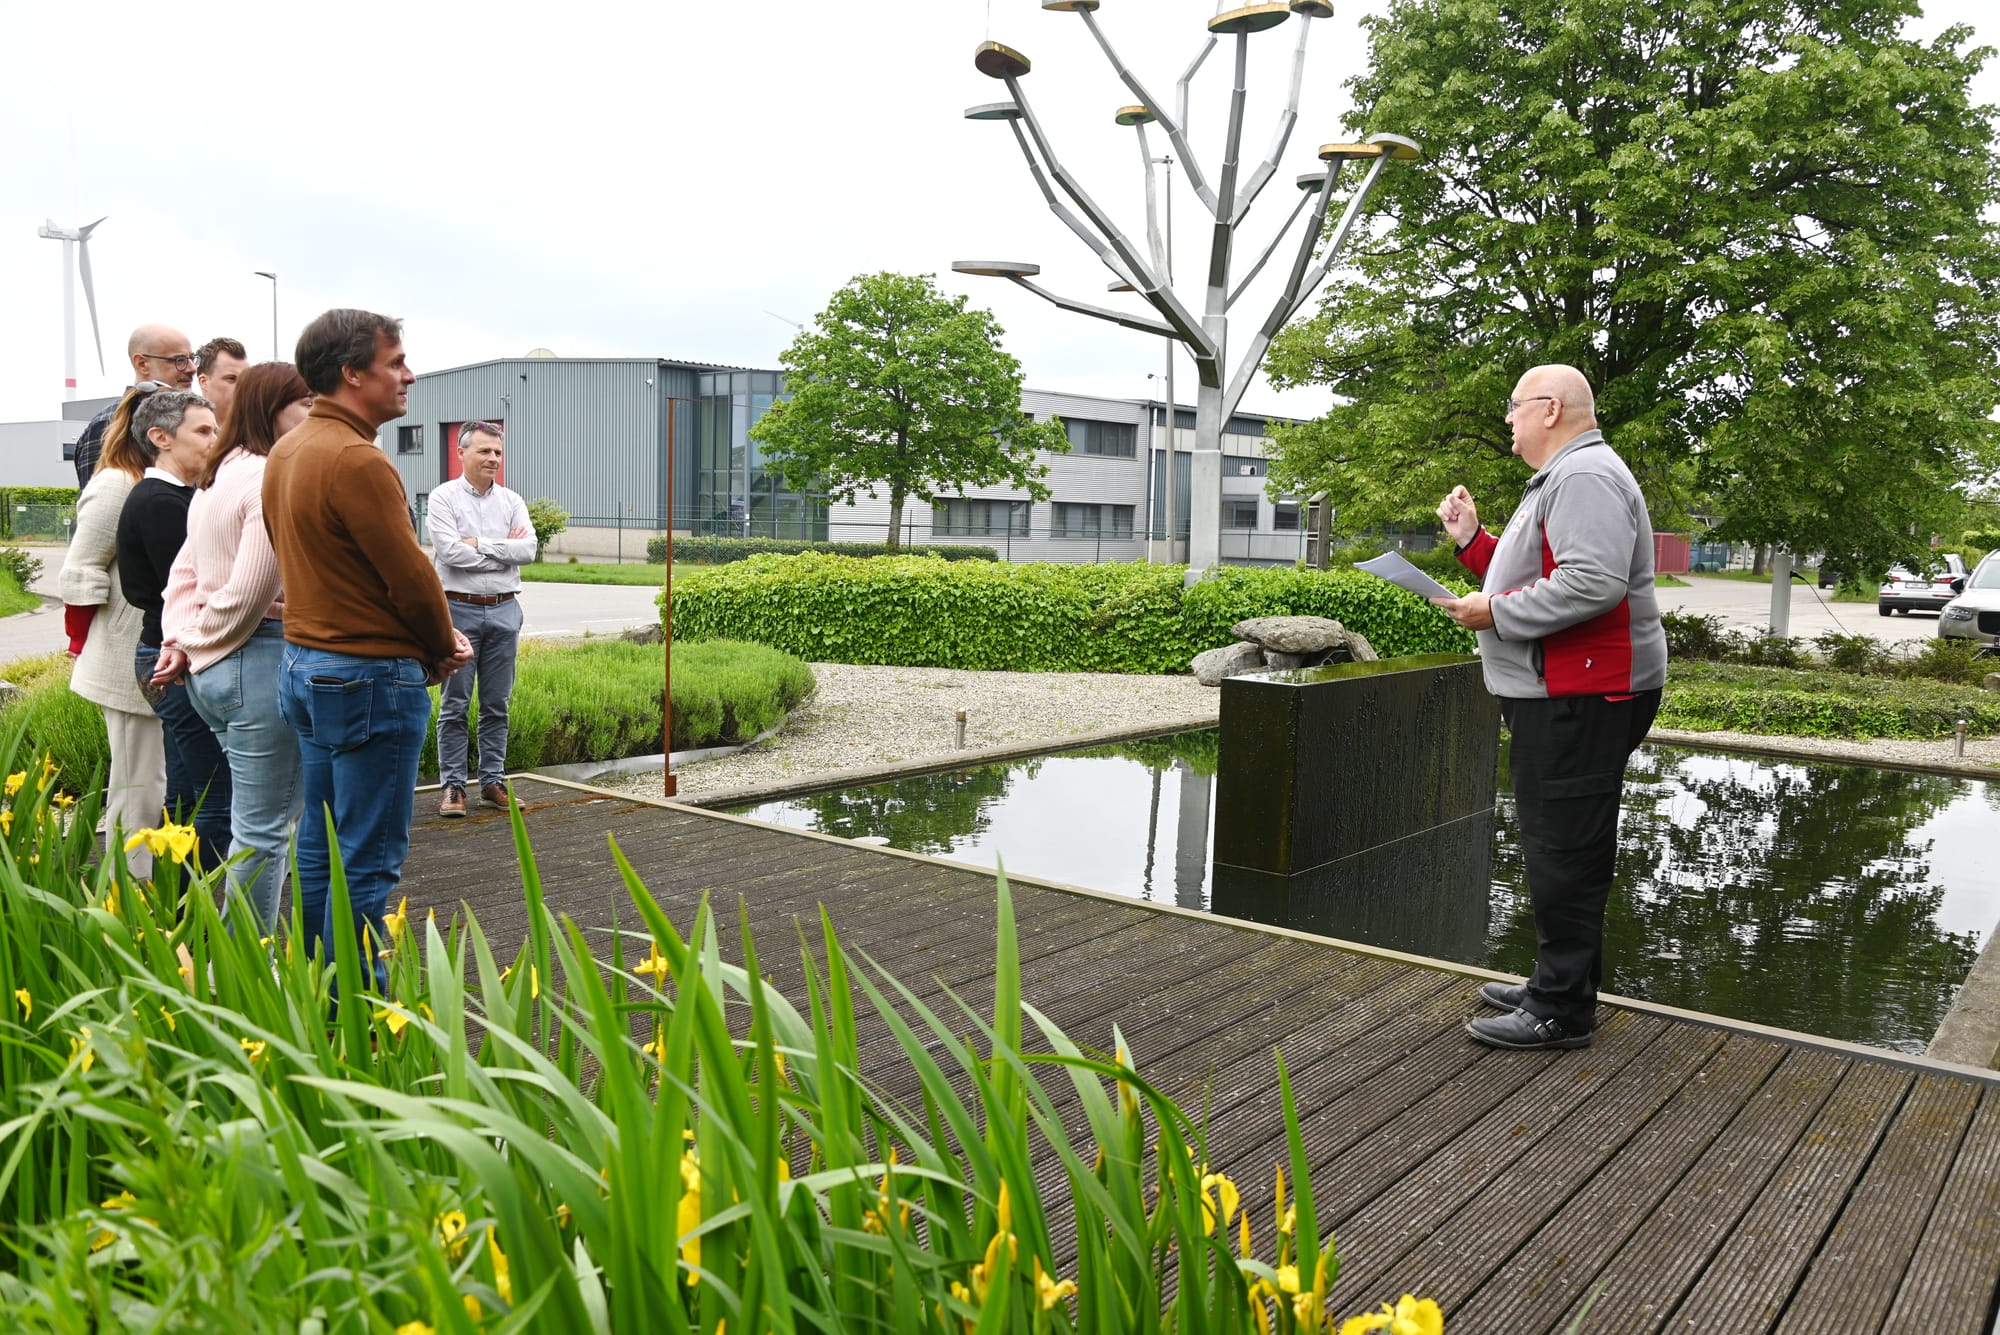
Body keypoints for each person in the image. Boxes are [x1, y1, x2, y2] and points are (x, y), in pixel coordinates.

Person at [1432, 364, 1666, 1052]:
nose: (1508, 418)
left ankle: (1561, 1007)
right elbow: (1541, 571)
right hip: (1567, 691)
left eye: (1515, 406)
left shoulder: (1584, 476)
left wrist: (1492, 611)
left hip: (1582, 693)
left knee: (1564, 846)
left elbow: (1593, 582)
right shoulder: (1568, 475)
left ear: (1552, 408)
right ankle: (1559, 981)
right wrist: (1475, 543)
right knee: (1561, 841)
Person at [263, 310, 470, 978]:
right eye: (396, 361)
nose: (408, 375)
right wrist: (440, 646)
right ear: (353, 373)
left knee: (320, 843)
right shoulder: (356, 458)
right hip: (367, 679)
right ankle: (360, 1022)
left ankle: (322, 994)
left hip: (306, 666)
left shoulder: (288, 450)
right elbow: (412, 578)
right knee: (368, 858)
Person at [154, 363, 313, 930]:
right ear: (275, 410)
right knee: (266, 831)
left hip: (212, 671)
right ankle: (242, 968)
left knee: (256, 826)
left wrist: (181, 642)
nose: (316, 414)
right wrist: (198, 642)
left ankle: (236, 959)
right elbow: (251, 592)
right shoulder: (273, 474)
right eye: (307, 403)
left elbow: (184, 574)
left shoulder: (219, 475)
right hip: (256, 659)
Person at [57, 383, 170, 875]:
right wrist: (78, 641)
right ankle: (132, 887)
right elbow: (81, 571)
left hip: (151, 655)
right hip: (124, 656)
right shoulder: (116, 484)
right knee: (137, 782)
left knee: (154, 780)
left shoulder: (156, 480)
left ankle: (146, 879)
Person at [117, 390, 233, 865]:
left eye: (216, 429)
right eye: (203, 431)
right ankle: (196, 912)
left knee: (188, 792)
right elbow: (191, 590)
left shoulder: (182, 497)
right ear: (160, 438)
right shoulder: (162, 502)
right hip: (175, 658)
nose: (215, 440)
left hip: (167, 656)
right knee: (216, 799)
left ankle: (174, 905)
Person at [428, 422, 535, 818]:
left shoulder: (511, 500)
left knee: (497, 704)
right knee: (455, 704)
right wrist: (502, 550)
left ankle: (492, 781)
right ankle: (454, 787)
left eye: (498, 452)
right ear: (461, 453)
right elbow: (449, 553)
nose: (492, 459)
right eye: (484, 452)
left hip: (506, 609)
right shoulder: (443, 499)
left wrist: (480, 544)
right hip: (458, 609)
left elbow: (529, 550)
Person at [72, 325, 196, 487]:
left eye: (192, 358)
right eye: (179, 360)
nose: (192, 368)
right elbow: (99, 502)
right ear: (142, 364)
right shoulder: (109, 425)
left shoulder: (189, 419)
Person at [195, 337, 249, 424]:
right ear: (203, 382)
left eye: (246, 379)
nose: (242, 387)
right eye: (231, 379)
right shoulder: (182, 431)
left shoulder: (263, 433)